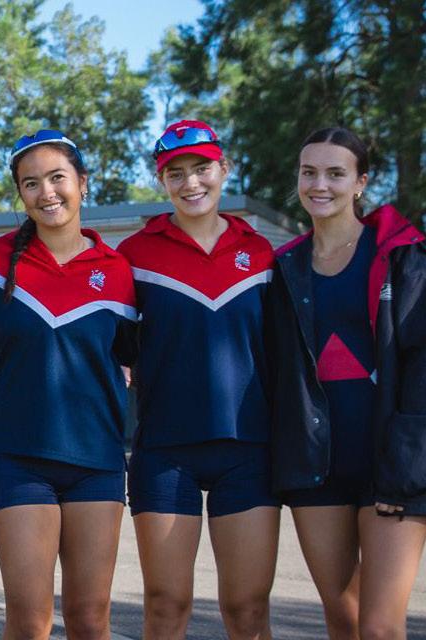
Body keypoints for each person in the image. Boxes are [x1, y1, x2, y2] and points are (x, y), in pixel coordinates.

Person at [266, 126, 426, 638]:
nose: (320, 185)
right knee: (344, 619)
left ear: (361, 182)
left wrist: (407, 470)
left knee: (380, 627)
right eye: (309, 172)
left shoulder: (403, 258)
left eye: (336, 173)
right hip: (318, 468)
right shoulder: (285, 268)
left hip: (392, 467)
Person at [0, 130, 136, 640]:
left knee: (90, 620)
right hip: (21, 460)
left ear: (82, 181)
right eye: (31, 183)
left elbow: (137, 358)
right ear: (20, 193)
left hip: (97, 462)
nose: (47, 192)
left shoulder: (118, 272)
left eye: (58, 178)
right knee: (29, 622)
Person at [117, 120, 279, 639]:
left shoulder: (261, 254)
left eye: (202, 168)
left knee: (248, 609)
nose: (191, 183)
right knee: (166, 605)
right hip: (165, 452)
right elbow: (113, 345)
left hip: (249, 450)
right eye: (176, 173)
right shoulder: (134, 256)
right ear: (162, 181)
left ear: (223, 169)